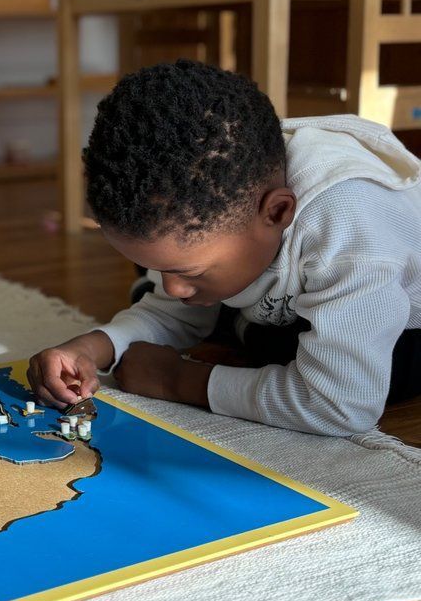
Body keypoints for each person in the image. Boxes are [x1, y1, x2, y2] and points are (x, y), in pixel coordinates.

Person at [29, 60, 421, 437]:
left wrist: (179, 380)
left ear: (277, 212)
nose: (173, 288)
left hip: (406, 328)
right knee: (180, 288)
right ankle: (225, 310)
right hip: (276, 284)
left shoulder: (350, 229)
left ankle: (236, 323)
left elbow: (342, 404)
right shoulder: (218, 207)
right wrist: (90, 347)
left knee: (324, 360)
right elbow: (173, 305)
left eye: (189, 272)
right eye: (167, 272)